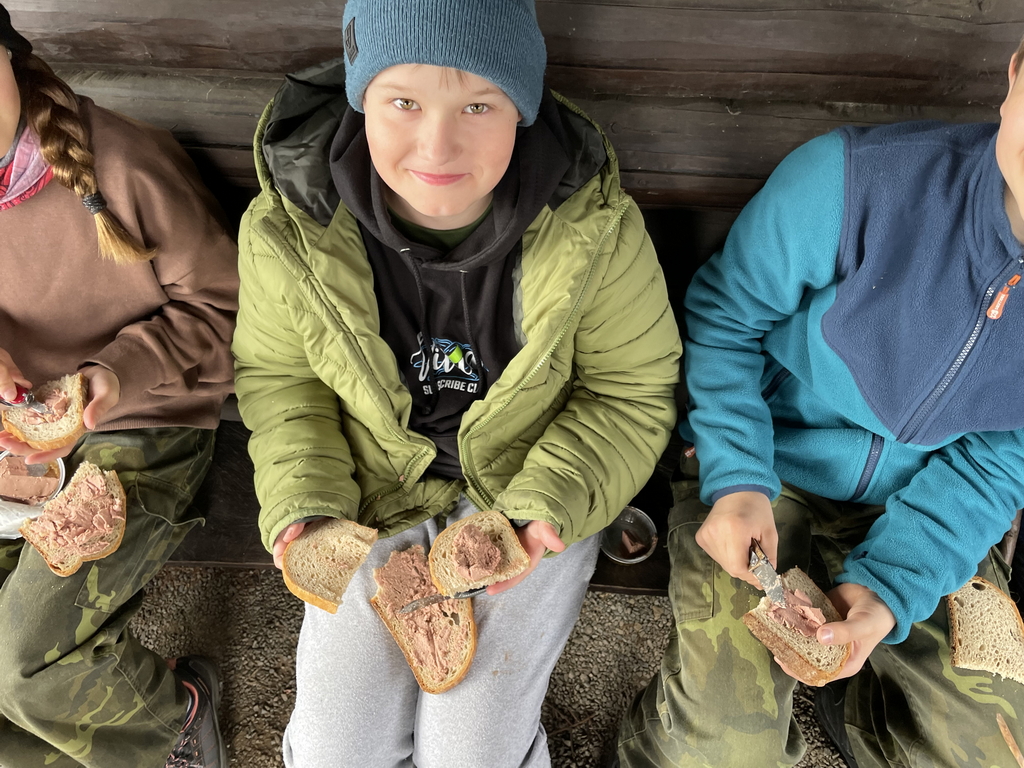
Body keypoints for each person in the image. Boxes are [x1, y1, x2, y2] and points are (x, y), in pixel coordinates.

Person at [231, 1, 681, 765]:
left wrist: (546, 505)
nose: (437, 145)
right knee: (336, 748)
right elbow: (283, 378)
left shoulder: (595, 228)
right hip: (371, 483)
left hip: (533, 484)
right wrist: (305, 492)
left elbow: (628, 391)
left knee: (470, 750)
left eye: (478, 105)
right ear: (361, 98)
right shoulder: (290, 225)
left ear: (521, 110)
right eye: (402, 102)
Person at [615, 31, 1024, 768]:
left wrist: (890, 591)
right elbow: (724, 316)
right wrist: (737, 477)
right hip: (767, 466)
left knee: (995, 750)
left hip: (932, 505)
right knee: (724, 747)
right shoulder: (853, 180)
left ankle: (863, 711)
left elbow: (1001, 462)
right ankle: (652, 742)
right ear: (1017, 73)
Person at [0, 7, 239, 768]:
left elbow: (232, 310)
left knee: (24, 666)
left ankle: (174, 721)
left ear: (8, 55)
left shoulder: (125, 165)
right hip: (15, 434)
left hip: (145, 416)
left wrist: (117, 372)